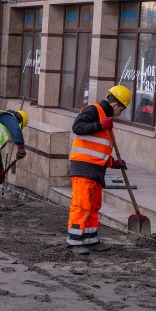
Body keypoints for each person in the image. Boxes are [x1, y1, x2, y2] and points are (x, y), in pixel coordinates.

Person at [66, 84, 131, 255]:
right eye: (121, 110)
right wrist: (101, 125)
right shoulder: (93, 110)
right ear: (116, 104)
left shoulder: (107, 121)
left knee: (93, 206)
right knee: (82, 205)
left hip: (96, 170)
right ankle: (74, 241)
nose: (120, 114)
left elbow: (98, 150)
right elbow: (77, 127)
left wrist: (113, 163)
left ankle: (90, 240)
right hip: (83, 168)